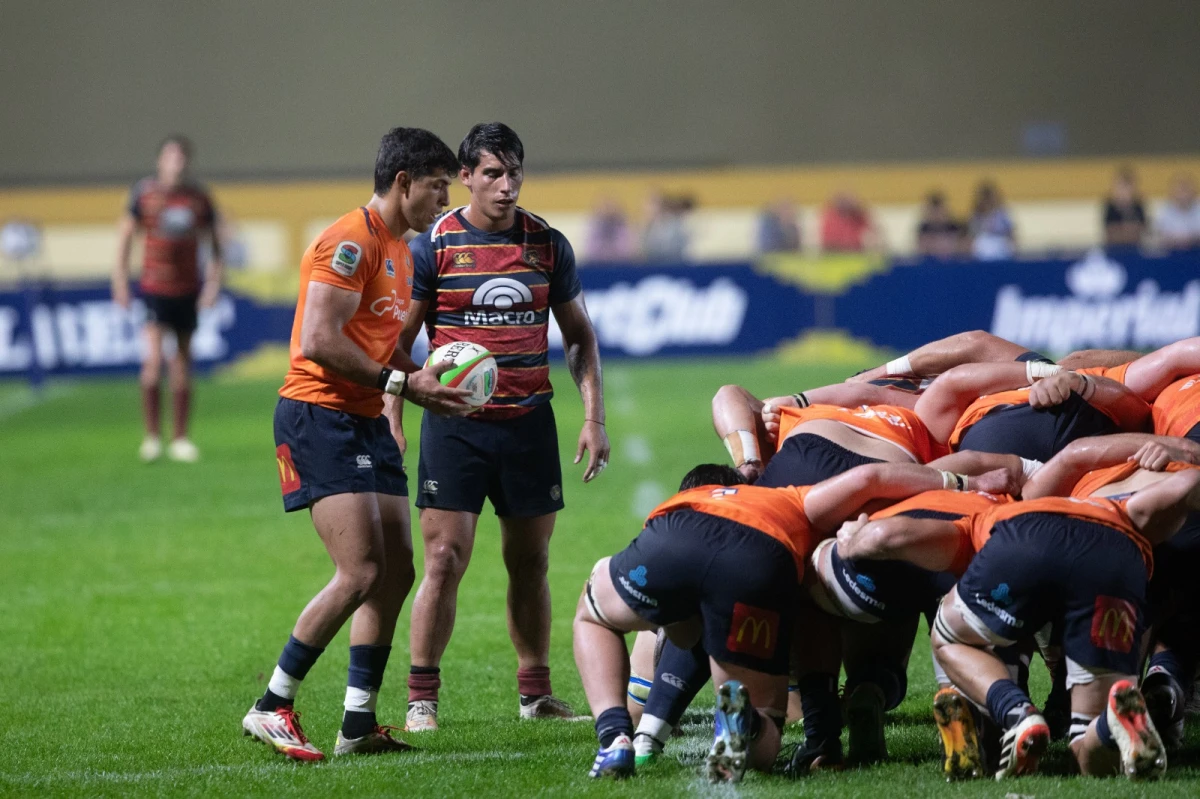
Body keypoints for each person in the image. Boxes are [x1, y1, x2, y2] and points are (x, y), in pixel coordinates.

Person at [241, 127, 471, 761]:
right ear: (403, 184)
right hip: (318, 416)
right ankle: (272, 704)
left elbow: (376, 340)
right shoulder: (349, 240)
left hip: (365, 417)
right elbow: (318, 339)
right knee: (361, 570)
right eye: (436, 187)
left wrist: (428, 371)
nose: (442, 202)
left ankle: (357, 723)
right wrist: (405, 382)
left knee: (396, 571)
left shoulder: (398, 248)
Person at [575, 460, 1013, 781]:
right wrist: (965, 482)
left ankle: (616, 738)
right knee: (764, 722)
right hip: (759, 555)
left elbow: (686, 634)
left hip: (676, 536)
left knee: (593, 614)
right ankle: (746, 721)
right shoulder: (790, 497)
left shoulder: (689, 496)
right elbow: (869, 479)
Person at [400, 123, 609, 731]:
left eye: (515, 172)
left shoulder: (547, 244)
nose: (507, 184)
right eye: (493, 173)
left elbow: (579, 337)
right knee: (443, 557)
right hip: (454, 428)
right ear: (465, 176)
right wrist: (395, 412)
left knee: (531, 560)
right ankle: (421, 700)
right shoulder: (434, 244)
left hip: (527, 425)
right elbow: (400, 342)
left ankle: (535, 694)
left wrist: (593, 416)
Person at [113, 135, 222, 463]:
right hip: (154, 289)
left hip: (187, 290)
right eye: (171, 157)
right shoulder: (144, 194)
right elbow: (125, 239)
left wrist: (213, 284)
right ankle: (151, 437)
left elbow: (215, 245)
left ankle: (180, 438)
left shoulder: (198, 198)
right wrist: (119, 281)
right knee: (153, 363)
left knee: (182, 365)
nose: (177, 163)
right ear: (160, 161)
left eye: (182, 158)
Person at [968, 180, 1015, 260]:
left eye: (990, 198)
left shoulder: (1002, 214)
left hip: (1000, 243)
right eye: (985, 199)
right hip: (982, 246)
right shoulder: (976, 215)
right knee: (980, 243)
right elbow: (972, 233)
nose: (988, 202)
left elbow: (1011, 232)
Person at [1103, 166, 1147, 250]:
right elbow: (1109, 231)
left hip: (1136, 248)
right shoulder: (1110, 206)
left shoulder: (1138, 205)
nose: (1124, 191)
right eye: (1121, 187)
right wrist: (1129, 231)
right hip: (1114, 249)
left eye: (1127, 187)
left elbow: (1143, 229)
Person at [1154, 173, 1200, 251]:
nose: (1183, 194)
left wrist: (1190, 240)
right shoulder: (1164, 212)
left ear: (1194, 191)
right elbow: (1157, 237)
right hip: (1171, 255)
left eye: (1186, 189)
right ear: (1172, 192)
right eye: (1180, 190)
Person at [584, 197, 636, 261]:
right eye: (605, 207)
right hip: (597, 266)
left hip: (621, 266)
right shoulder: (593, 227)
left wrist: (612, 252)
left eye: (610, 207)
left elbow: (628, 250)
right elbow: (589, 250)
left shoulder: (623, 227)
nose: (607, 211)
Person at [916, 191, 965, 258]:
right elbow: (921, 248)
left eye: (939, 211)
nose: (937, 214)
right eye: (934, 211)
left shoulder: (953, 227)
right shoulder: (924, 228)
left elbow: (961, 246)